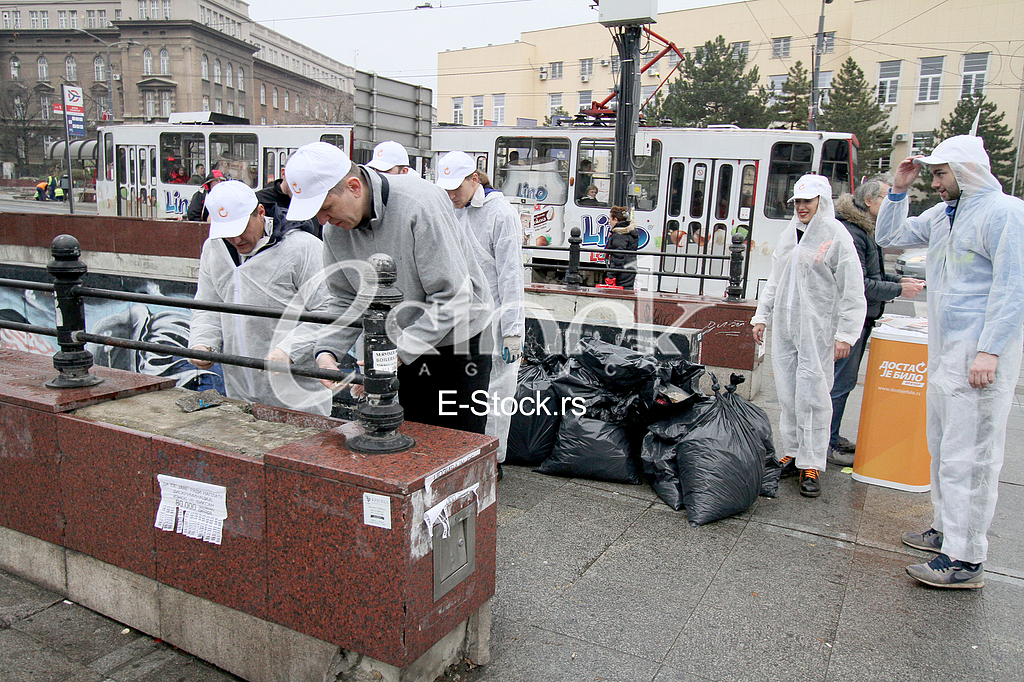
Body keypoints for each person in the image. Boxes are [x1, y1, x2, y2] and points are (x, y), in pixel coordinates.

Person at [876, 135, 1024, 589]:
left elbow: (1012, 287)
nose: (935, 183)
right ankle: (946, 529)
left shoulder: (1005, 214)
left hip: (977, 355)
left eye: (941, 174)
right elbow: (890, 237)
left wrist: (990, 350)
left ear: (965, 172)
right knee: (943, 447)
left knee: (973, 458)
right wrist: (898, 190)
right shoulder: (944, 215)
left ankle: (966, 558)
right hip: (947, 352)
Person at [283, 141, 495, 435]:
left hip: (458, 342)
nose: (322, 221)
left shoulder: (419, 203)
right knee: (411, 436)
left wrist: (396, 353)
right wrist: (327, 350)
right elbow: (345, 298)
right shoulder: (335, 229)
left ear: (354, 186)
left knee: (458, 440)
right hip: (398, 344)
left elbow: (454, 296)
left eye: (326, 208)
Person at [751, 174, 865, 498]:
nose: (801, 207)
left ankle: (812, 462)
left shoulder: (836, 236)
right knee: (787, 394)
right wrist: (762, 316)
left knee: (814, 394)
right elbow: (775, 279)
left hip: (817, 330)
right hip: (786, 329)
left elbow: (853, 290)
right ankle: (793, 451)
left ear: (822, 202)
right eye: (797, 202)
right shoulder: (790, 235)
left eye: (807, 201)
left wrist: (845, 334)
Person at [187, 180, 333, 416]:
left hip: (298, 394)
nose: (235, 240)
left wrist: (290, 350)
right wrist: (203, 343)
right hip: (238, 390)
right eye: (227, 234)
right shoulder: (214, 249)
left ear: (260, 212)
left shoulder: (303, 247)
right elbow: (207, 303)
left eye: (241, 229)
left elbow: (328, 308)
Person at [436, 150, 525, 475]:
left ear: (474, 179)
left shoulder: (501, 213)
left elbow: (512, 275)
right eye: (445, 189)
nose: (451, 195)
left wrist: (513, 331)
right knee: (469, 392)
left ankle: (492, 459)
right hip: (465, 319)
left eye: (456, 188)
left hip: (497, 319)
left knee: (497, 392)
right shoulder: (454, 209)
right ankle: (467, 454)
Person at [827, 179, 926, 466]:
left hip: (861, 319)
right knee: (839, 384)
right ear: (869, 201)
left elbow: (875, 273)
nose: (891, 205)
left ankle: (831, 437)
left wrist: (898, 280)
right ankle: (826, 444)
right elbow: (858, 284)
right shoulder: (853, 232)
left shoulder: (868, 230)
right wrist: (898, 290)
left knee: (842, 383)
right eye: (886, 197)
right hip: (849, 321)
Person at [255, 168, 321, 239]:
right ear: (284, 174)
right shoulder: (259, 201)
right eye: (299, 179)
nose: (303, 187)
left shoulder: (316, 201)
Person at [604, 205, 639, 288]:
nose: (609, 222)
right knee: (627, 292)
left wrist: (611, 275)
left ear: (615, 220)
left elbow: (618, 256)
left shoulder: (619, 235)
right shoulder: (631, 232)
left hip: (622, 271)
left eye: (610, 219)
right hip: (630, 267)